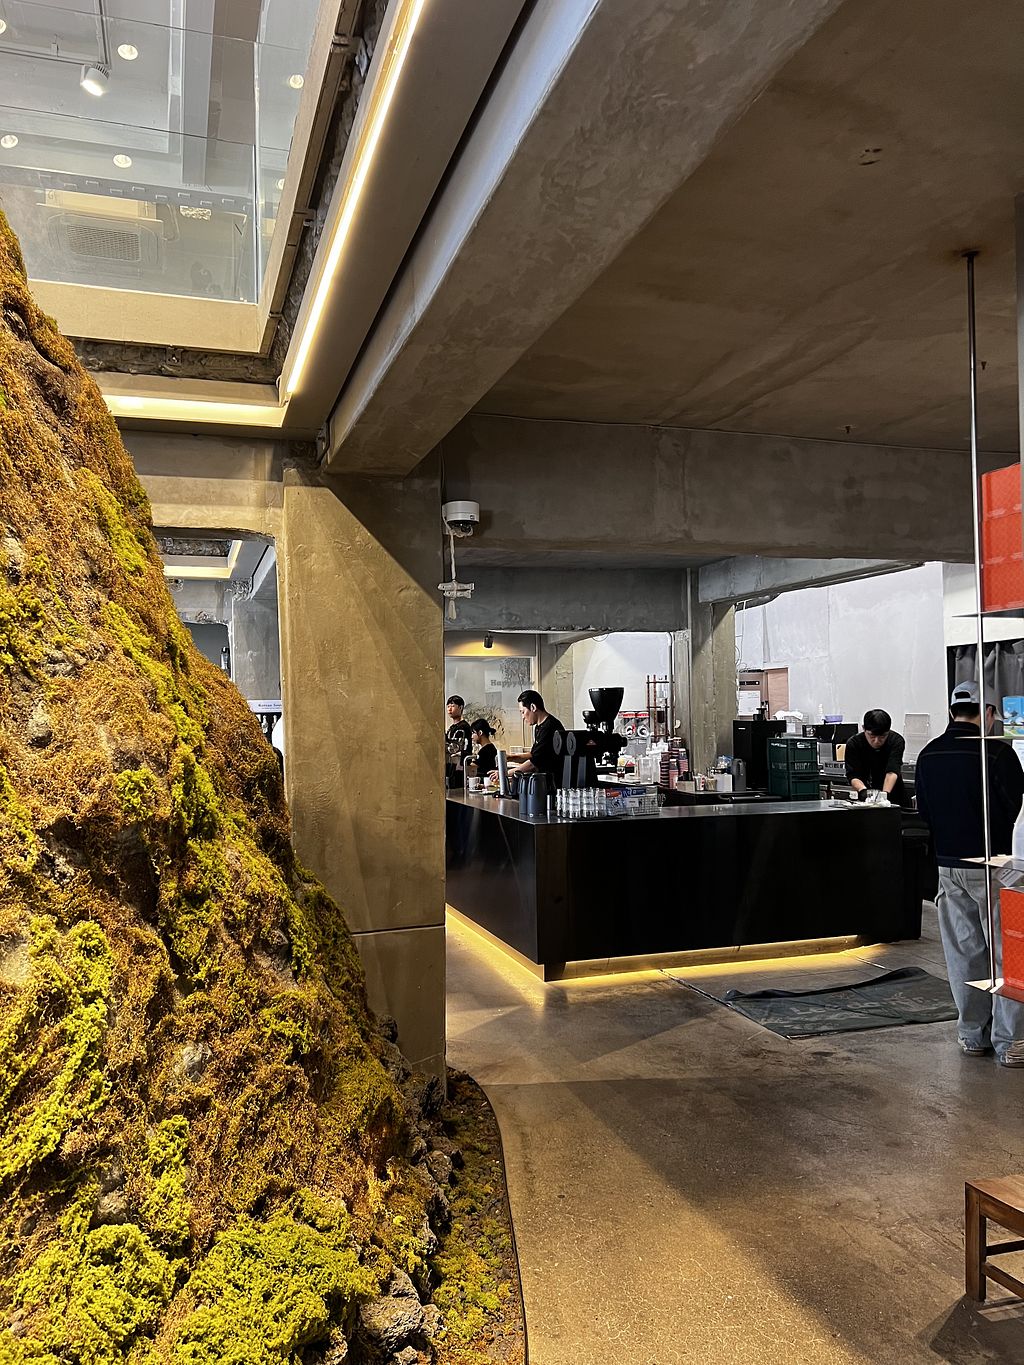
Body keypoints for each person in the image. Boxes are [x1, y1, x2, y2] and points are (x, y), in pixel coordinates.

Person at [915, 680, 1024, 1067]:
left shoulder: (928, 754)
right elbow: (1015, 808)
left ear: (952, 711)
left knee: (964, 954)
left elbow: (924, 812)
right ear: (988, 713)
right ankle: (1011, 1041)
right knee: (1009, 954)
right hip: (999, 869)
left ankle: (972, 1035)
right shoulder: (997, 752)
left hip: (949, 867)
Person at [844, 708, 909, 806]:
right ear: (864, 728)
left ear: (888, 731)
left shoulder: (896, 741)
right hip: (865, 799)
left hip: (895, 797)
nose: (876, 741)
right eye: (872, 736)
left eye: (882, 737)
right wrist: (864, 792)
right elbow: (853, 775)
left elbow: (892, 771)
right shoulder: (854, 744)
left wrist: (884, 796)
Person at [511, 690, 565, 784]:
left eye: (523, 712)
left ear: (533, 707)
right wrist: (510, 757)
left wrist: (505, 773)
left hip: (554, 783)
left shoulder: (550, 727)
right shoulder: (539, 727)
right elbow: (534, 754)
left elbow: (534, 763)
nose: (523, 717)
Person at [445, 695, 472, 788]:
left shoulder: (464, 727)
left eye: (452, 706)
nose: (449, 709)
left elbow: (467, 747)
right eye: (448, 706)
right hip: (449, 765)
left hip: (458, 766)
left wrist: (461, 763)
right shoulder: (451, 728)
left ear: (460, 707)